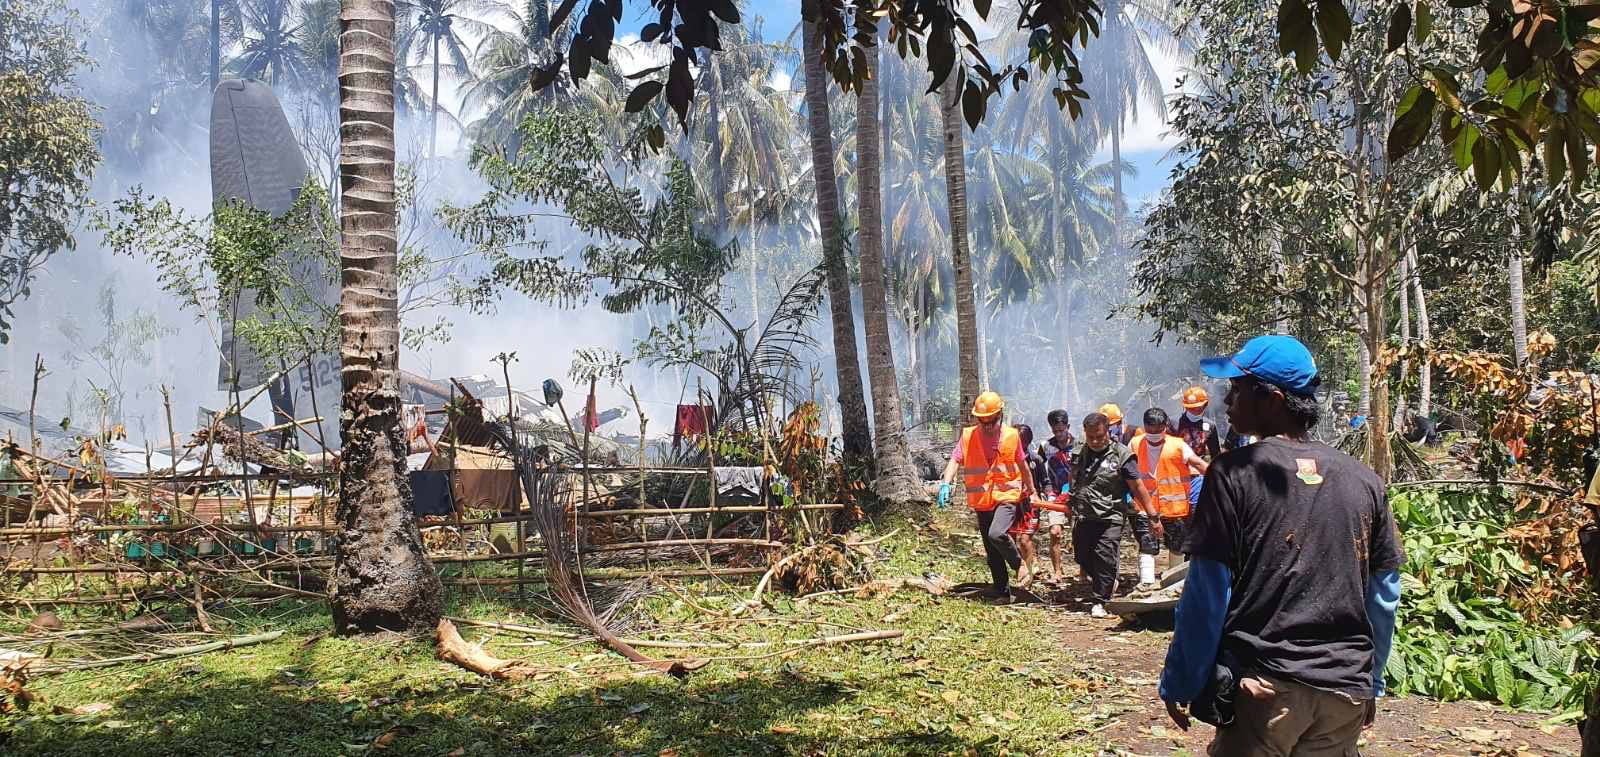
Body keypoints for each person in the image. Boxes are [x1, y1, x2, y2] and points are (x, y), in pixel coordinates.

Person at [1159, 335, 1403, 756]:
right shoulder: (1364, 481)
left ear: (1271, 398)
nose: (1228, 401)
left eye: (1237, 390)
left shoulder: (1233, 474)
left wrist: (1183, 679)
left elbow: (1207, 592)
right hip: (1344, 694)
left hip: (1267, 690)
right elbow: (1383, 596)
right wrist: (1370, 682)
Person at [1054, 412, 1155, 618]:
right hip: (1084, 514)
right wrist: (1069, 497)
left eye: (1100, 436)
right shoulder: (1079, 452)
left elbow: (1137, 486)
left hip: (1111, 516)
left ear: (1108, 431)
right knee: (1081, 555)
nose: (1096, 441)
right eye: (1091, 437)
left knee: (1105, 556)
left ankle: (1101, 599)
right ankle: (1107, 581)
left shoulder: (1121, 455)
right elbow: (1073, 477)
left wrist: (1152, 514)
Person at [939, 391, 1036, 600]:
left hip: (1007, 495)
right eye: (983, 422)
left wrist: (1032, 490)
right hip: (983, 500)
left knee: (996, 534)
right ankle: (1002, 590)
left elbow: (1022, 465)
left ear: (999, 415)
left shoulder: (1011, 436)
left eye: (991, 421)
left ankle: (1019, 565)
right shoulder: (968, 436)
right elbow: (955, 460)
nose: (987, 426)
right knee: (991, 549)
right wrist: (946, 483)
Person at [1133, 407, 1209, 588]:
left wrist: (1221, 479)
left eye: (1159, 430)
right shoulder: (1135, 444)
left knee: (1177, 546)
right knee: (1147, 544)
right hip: (1144, 506)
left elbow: (1198, 464)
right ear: (1145, 427)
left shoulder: (1178, 445)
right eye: (1150, 430)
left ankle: (1173, 583)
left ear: (1165, 427)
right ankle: (1146, 584)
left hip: (1174, 508)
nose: (1154, 434)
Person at [1040, 409, 1076, 583]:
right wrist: (1046, 490)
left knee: (1080, 534)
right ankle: (1057, 572)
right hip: (1054, 495)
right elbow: (1037, 467)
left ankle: (1084, 572)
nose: (1059, 434)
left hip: (1077, 496)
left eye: (1062, 430)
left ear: (1068, 427)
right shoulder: (1046, 446)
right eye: (1055, 431)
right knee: (1055, 532)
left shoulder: (1079, 446)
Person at [1008, 424, 1044, 587]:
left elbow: (1045, 481)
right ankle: (1021, 570)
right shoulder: (1005, 457)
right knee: (1009, 539)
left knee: (1024, 539)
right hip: (1009, 503)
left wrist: (1046, 495)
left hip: (1030, 506)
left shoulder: (1035, 460)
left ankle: (1029, 574)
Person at [1174, 386, 1223, 461]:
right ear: (1185, 407)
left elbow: (1215, 454)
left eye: (1198, 407)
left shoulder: (1210, 426)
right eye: (1190, 408)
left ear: (1205, 405)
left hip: (1199, 467)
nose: (1195, 411)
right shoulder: (1174, 422)